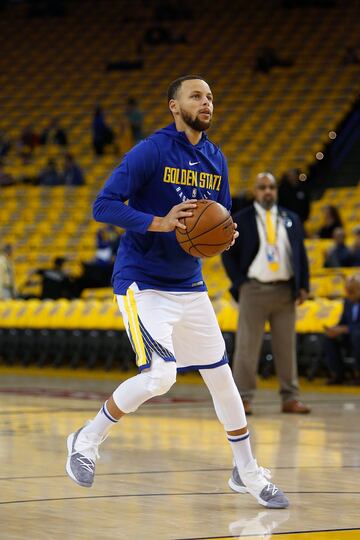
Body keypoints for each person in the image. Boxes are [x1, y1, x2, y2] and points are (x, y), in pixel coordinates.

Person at [65, 75, 289, 509]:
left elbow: (216, 217)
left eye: (209, 97)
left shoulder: (215, 158)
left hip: (189, 284)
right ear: (173, 105)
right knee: (161, 376)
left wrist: (225, 234)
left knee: (223, 381)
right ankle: (86, 440)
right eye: (196, 96)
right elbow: (103, 205)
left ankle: (247, 473)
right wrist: (160, 222)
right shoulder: (151, 150)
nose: (205, 103)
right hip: (142, 283)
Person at [222, 172, 311, 415]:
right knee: (247, 347)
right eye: (262, 187)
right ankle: (243, 398)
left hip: (285, 290)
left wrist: (303, 285)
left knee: (286, 347)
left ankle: (290, 398)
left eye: (271, 187)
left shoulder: (290, 218)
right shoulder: (241, 219)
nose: (268, 191)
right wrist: (240, 282)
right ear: (255, 191)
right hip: (254, 289)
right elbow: (226, 253)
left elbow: (300, 255)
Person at [323, 274, 360, 384]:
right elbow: (343, 322)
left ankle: (358, 374)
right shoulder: (347, 302)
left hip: (356, 337)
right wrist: (334, 329)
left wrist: (345, 329)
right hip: (351, 336)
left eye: (352, 292)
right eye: (347, 291)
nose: (348, 295)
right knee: (329, 338)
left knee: (357, 336)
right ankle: (338, 374)